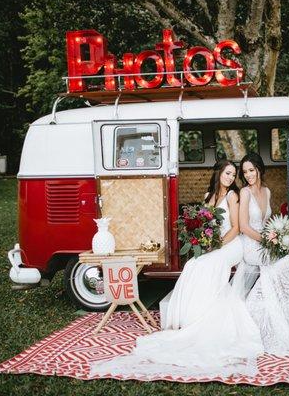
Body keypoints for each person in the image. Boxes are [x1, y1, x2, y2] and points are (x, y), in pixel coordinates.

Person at [91, 159, 263, 378]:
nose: (230, 178)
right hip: (214, 245)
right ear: (219, 172)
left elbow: (237, 228)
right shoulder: (208, 197)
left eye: (233, 174)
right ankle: (193, 317)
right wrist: (203, 242)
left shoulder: (232, 196)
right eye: (227, 173)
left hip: (231, 244)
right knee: (192, 263)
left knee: (209, 263)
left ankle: (204, 317)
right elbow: (204, 225)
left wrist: (216, 246)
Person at [234, 152, 289, 356]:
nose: (248, 175)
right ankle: (268, 309)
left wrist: (279, 235)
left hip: (266, 241)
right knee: (283, 263)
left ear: (259, 169)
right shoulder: (244, 193)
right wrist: (268, 241)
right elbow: (244, 227)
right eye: (245, 171)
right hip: (252, 245)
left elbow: (268, 222)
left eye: (251, 170)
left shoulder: (267, 191)